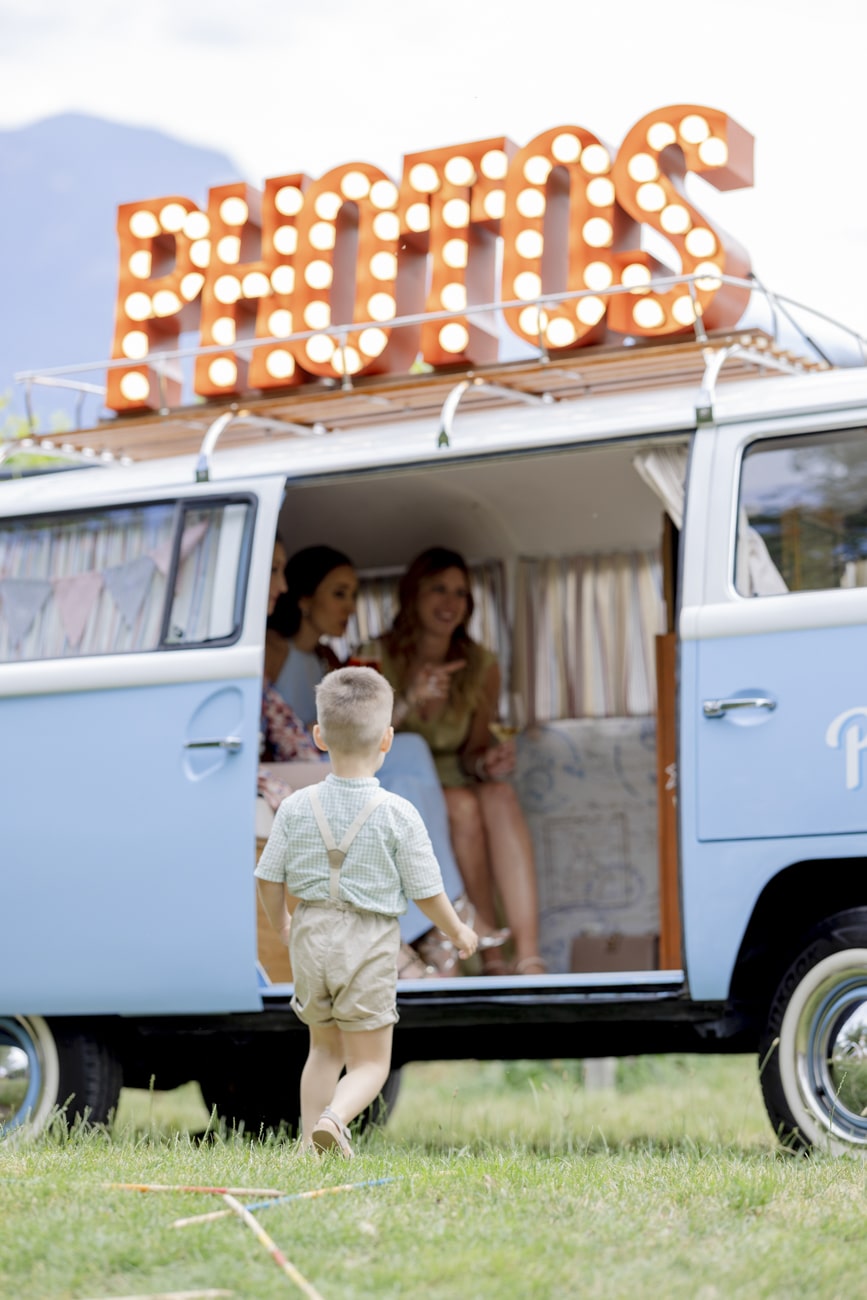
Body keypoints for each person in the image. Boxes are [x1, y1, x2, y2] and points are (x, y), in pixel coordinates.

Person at [255, 666, 478, 1156]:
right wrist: (458, 930)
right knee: (371, 1063)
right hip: (368, 943)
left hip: (310, 938)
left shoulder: (293, 808)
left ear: (317, 735)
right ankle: (335, 1120)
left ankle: (309, 1147)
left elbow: (267, 878)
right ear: (387, 739)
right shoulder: (398, 813)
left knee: (323, 1050)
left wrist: (285, 925)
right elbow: (426, 891)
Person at [267, 542, 476, 977]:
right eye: (339, 593)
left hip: (324, 757)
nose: (350, 606)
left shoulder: (327, 659)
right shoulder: (273, 650)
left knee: (408, 755)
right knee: (401, 765)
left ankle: (427, 918)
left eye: (353, 594)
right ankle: (434, 919)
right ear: (304, 598)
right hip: (292, 766)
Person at [357, 546, 546, 975]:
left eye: (460, 593)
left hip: (456, 778)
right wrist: (408, 701)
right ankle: (489, 955)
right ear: (413, 596)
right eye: (438, 589)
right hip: (398, 781)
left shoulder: (480, 664)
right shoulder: (375, 656)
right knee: (461, 806)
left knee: (497, 795)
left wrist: (488, 763)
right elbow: (359, 740)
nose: (450, 603)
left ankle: (528, 956)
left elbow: (472, 752)